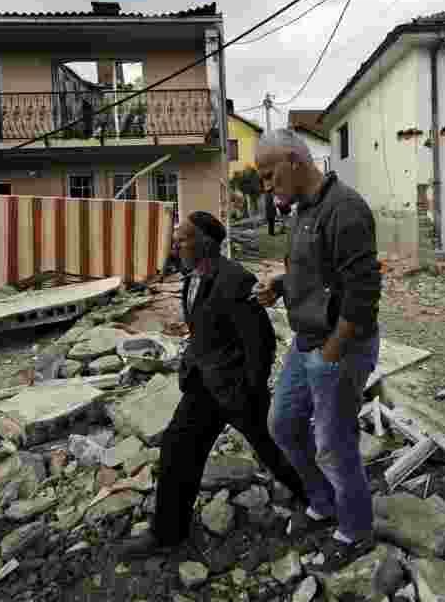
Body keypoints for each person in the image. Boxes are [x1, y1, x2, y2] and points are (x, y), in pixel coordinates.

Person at [120, 211, 309, 558]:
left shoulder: (235, 279)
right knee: (178, 450)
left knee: (274, 450)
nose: (177, 245)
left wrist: (250, 389)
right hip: (203, 387)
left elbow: (261, 341)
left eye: (184, 239)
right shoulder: (191, 277)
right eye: (176, 240)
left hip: (237, 390)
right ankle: (167, 534)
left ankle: (318, 499)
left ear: (207, 242)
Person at [253, 128, 383, 571]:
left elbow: (363, 296)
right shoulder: (303, 211)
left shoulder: (345, 209)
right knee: (284, 424)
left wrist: (331, 353)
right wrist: (280, 285)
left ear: (294, 160)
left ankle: (355, 529)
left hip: (340, 347)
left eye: (270, 175)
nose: (267, 187)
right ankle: (323, 502)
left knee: (333, 444)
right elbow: (316, 276)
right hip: (308, 341)